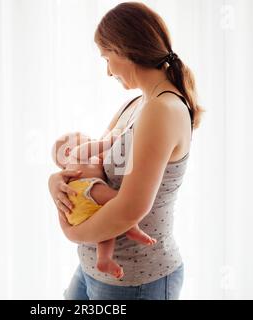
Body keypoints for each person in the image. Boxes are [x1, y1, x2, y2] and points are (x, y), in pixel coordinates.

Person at [48, 2, 205, 300]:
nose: (107, 71)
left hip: (136, 279)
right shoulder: (136, 105)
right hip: (93, 268)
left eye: (107, 58)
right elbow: (96, 167)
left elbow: (130, 208)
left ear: (125, 50)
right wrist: (56, 182)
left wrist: (70, 232)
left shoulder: (162, 110)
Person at [51, 131, 156, 279]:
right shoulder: (76, 155)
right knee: (121, 201)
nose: (92, 140)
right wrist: (107, 143)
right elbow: (88, 149)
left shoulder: (87, 164)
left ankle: (104, 259)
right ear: (68, 151)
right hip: (84, 189)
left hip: (76, 209)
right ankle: (133, 229)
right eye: (86, 138)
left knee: (105, 230)